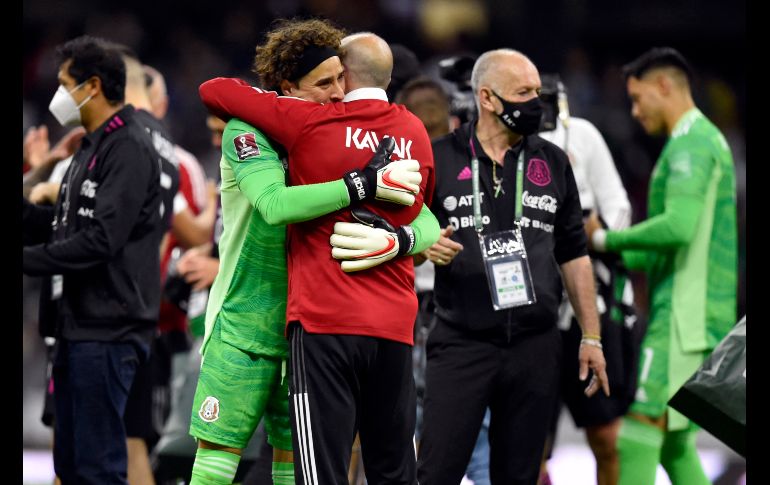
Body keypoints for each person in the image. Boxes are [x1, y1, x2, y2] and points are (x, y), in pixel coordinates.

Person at [194, 21, 438, 485]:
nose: (337, 93)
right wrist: (361, 184)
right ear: (287, 89)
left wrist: (399, 240)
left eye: (341, 80)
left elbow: (423, 215)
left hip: (304, 325)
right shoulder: (253, 131)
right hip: (246, 321)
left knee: (296, 468)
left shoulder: (334, 130)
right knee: (215, 467)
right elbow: (274, 205)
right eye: (324, 83)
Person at [415, 48, 609, 485]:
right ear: (487, 98)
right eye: (523, 92)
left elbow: (574, 254)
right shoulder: (439, 157)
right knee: (436, 471)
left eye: (537, 92)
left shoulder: (554, 163)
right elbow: (404, 240)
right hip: (461, 342)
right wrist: (423, 246)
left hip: (534, 346)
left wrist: (591, 336)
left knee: (519, 476)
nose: (534, 103)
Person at [585, 47, 737, 485]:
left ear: (664, 86)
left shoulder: (692, 143)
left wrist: (603, 238)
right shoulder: (700, 141)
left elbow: (679, 228)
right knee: (673, 444)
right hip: (698, 315)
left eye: (637, 99)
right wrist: (611, 252)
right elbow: (666, 246)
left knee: (636, 435)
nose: (633, 112)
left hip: (683, 320)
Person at [22, 35, 164, 485]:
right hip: (75, 328)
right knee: (71, 466)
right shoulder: (90, 146)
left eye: (66, 83)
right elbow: (63, 223)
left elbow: (102, 239)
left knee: (98, 469)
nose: (59, 94)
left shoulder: (129, 148)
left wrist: (26, 260)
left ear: (94, 86)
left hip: (108, 332)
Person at [537, 73, 638, 485]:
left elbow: (619, 212)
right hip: (536, 310)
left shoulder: (582, 135)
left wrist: (588, 232)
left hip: (589, 307)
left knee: (606, 435)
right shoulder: (503, 143)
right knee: (530, 444)